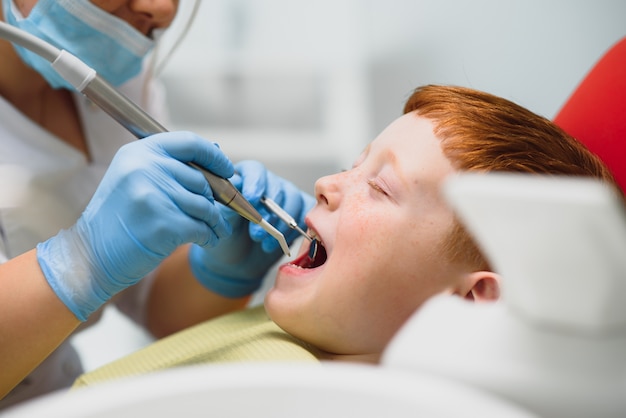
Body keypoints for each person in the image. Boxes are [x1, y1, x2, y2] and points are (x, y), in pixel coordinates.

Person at [71, 84, 620, 388]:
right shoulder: (316, 330)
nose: (327, 184)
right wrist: (216, 280)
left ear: (474, 300)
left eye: (379, 187)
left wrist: (79, 266)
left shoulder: (298, 398)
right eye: (353, 165)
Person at [0, 0, 312, 407]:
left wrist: (219, 273)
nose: (162, 9)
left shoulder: (116, 78)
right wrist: (82, 261)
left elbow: (149, 301)